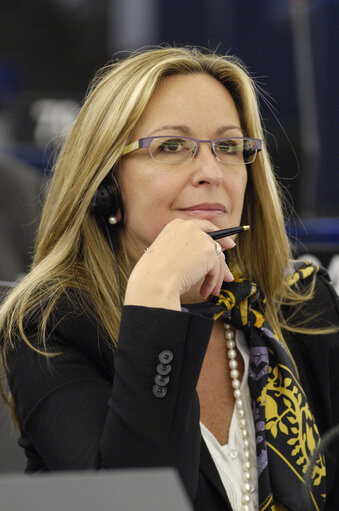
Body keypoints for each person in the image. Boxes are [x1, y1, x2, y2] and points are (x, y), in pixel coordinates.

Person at [0, 46, 338, 511]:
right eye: (171, 147)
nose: (210, 173)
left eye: (228, 147)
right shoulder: (49, 328)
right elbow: (133, 502)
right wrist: (156, 298)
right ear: (106, 185)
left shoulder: (304, 305)